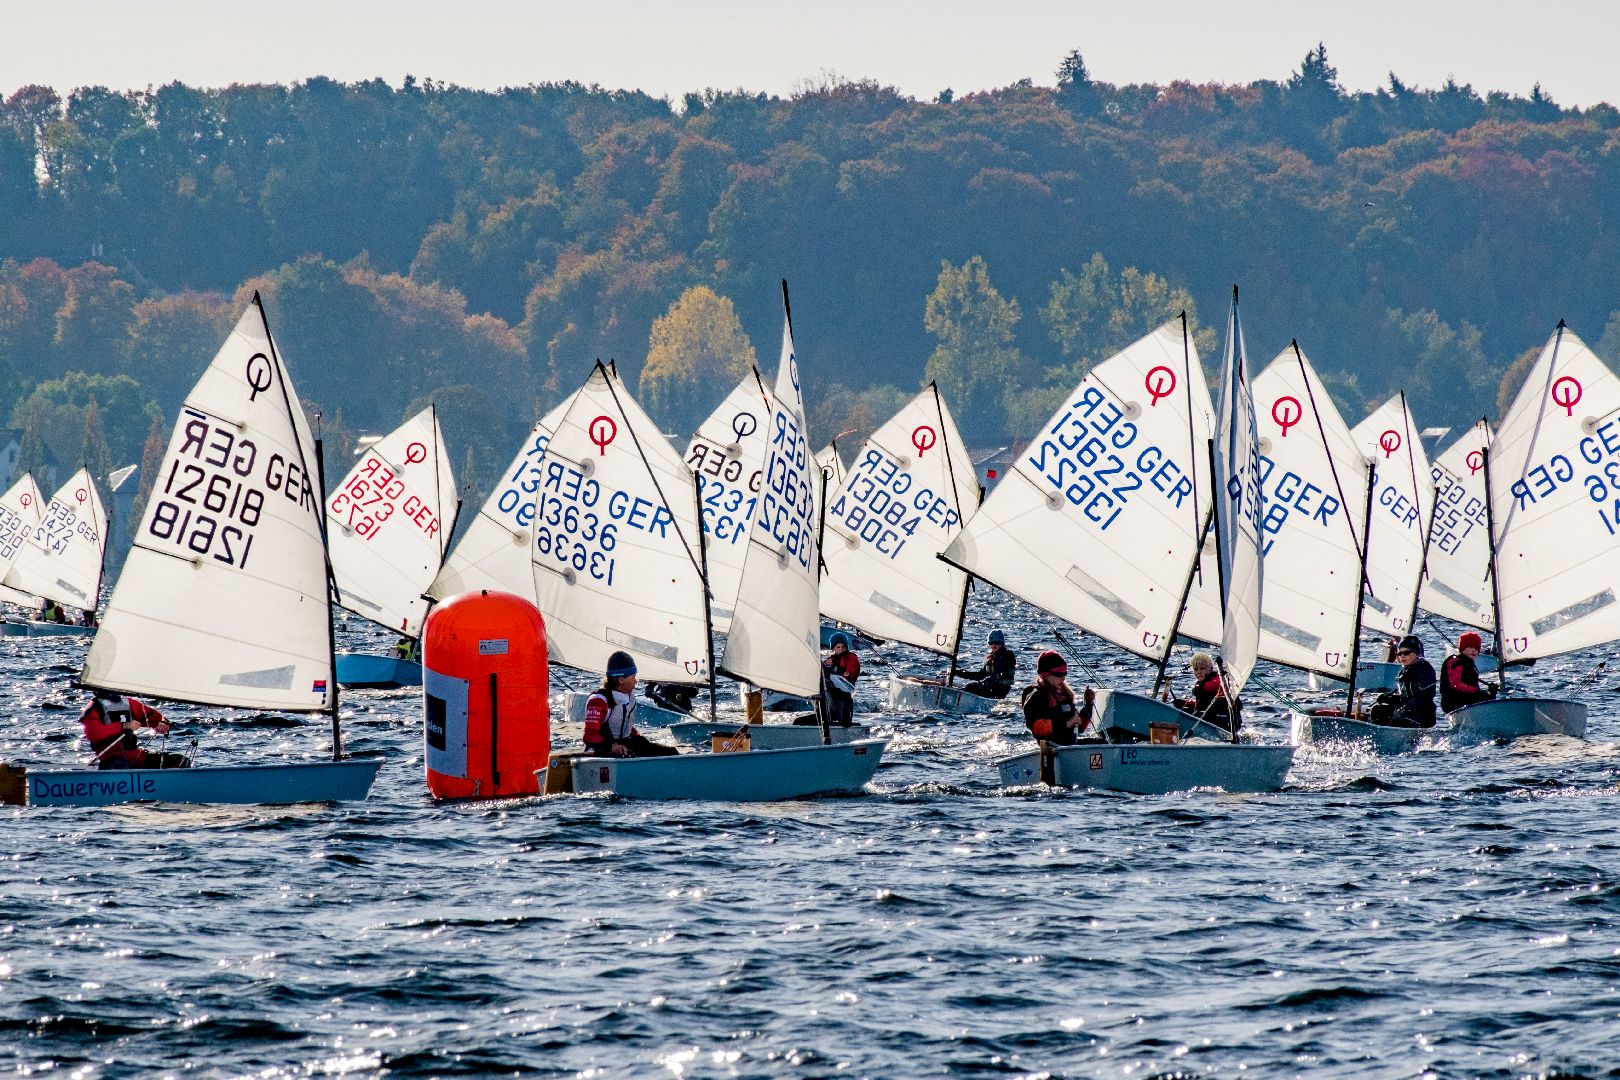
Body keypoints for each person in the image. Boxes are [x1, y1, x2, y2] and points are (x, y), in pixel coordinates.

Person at [581, 651, 680, 758]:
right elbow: (589, 736)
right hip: (601, 749)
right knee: (629, 754)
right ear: (621, 679)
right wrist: (612, 746)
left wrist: (642, 741)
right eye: (633, 677)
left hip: (624, 745)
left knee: (671, 752)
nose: (635, 682)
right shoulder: (598, 701)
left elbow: (624, 727)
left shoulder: (629, 698)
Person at [80, 691, 191, 770]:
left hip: (136, 756)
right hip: (111, 758)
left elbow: (153, 717)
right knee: (123, 768)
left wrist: (163, 724)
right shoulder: (93, 709)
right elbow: (94, 733)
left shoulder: (128, 704)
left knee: (180, 761)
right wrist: (123, 726)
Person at [1021, 650, 1095, 745]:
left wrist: (1088, 704)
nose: (1063, 678)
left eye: (1064, 673)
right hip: (1050, 747)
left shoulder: (1065, 695)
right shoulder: (1037, 696)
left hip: (1070, 745)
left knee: (1103, 743)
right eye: (1058, 674)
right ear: (1044, 674)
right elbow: (1037, 727)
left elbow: (1080, 728)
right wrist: (1068, 723)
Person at [1368, 634, 1438, 727]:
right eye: (1399, 653)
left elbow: (1420, 698)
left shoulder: (1424, 670)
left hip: (1421, 716)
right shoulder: (1405, 670)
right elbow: (1405, 697)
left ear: (1416, 654)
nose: (1402, 656)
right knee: (1377, 710)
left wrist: (1401, 712)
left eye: (1406, 653)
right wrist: (1388, 698)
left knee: (1395, 717)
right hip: (1408, 712)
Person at [1168, 651, 1241, 733]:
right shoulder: (1201, 684)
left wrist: (1201, 687)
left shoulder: (1218, 679)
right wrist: (1185, 703)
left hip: (1226, 722)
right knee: (1185, 710)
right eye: (1196, 669)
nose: (1199, 672)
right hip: (1211, 717)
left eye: (1202, 668)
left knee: (1198, 714)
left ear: (1211, 669)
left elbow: (1216, 685)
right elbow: (1202, 705)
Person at [1441, 631, 1497, 712]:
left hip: (1468, 703)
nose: (1474, 650)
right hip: (1454, 704)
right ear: (1463, 648)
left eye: (1476, 648)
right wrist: (1477, 692)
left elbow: (1473, 689)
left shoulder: (1471, 665)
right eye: (1470, 647)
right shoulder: (1454, 661)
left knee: (1488, 698)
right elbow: (1456, 684)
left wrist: (1490, 693)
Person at [958, 629, 1018, 699]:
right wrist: (960, 673)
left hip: (1000, 689)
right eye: (991, 643)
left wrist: (982, 683)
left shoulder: (1007, 655)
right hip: (992, 687)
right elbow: (980, 675)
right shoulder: (992, 657)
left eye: (997, 643)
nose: (994, 645)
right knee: (970, 686)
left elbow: (998, 675)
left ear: (1002, 643)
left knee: (970, 687)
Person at [822, 631, 861, 727]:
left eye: (843, 647)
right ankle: (827, 714)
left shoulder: (851, 658)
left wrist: (840, 673)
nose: (841, 649)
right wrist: (825, 665)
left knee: (829, 683)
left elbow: (852, 672)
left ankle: (841, 717)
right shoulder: (831, 659)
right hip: (835, 687)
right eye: (838, 647)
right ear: (833, 648)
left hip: (847, 686)